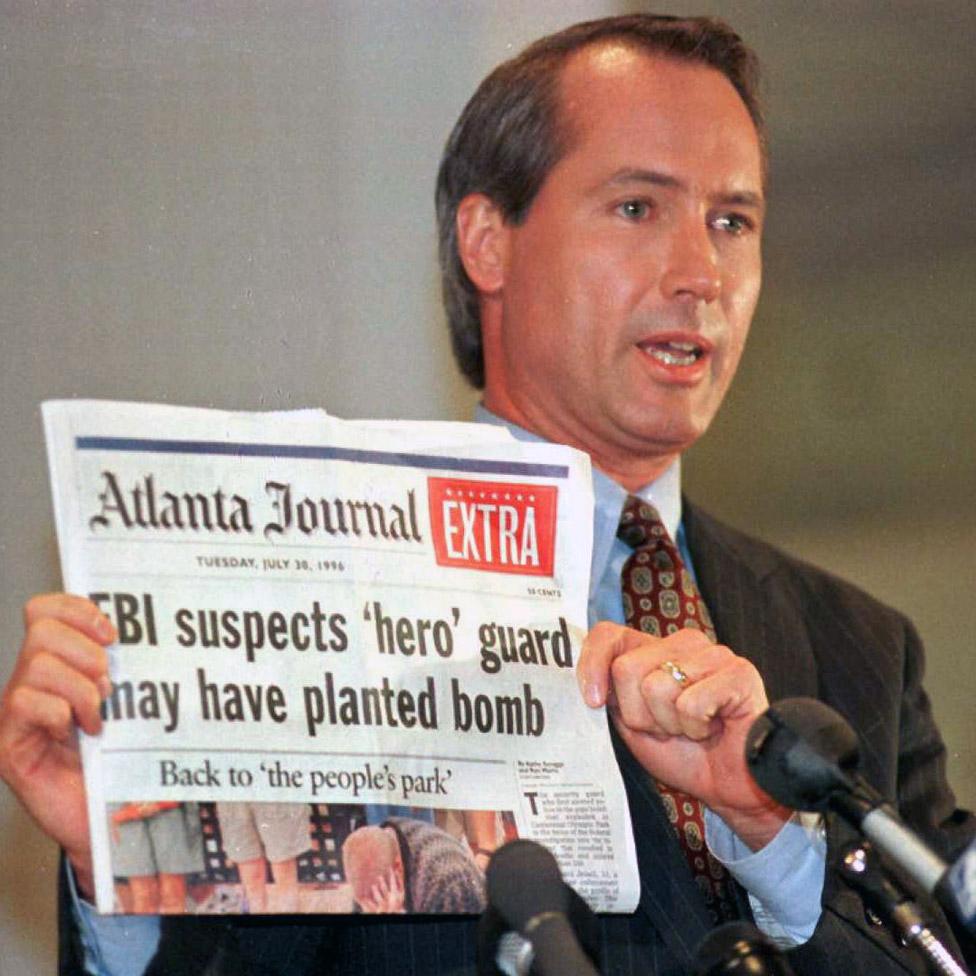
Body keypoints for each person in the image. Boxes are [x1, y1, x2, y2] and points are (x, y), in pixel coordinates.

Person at [0, 13, 972, 976]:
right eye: (638, 207)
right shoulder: (301, 606)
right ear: (487, 242)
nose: (700, 274)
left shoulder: (860, 651)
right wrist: (111, 869)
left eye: (733, 220)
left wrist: (769, 838)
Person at [342, 818, 486, 915]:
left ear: (397, 868)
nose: (370, 910)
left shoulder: (447, 881)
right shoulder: (374, 864)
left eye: (374, 901)